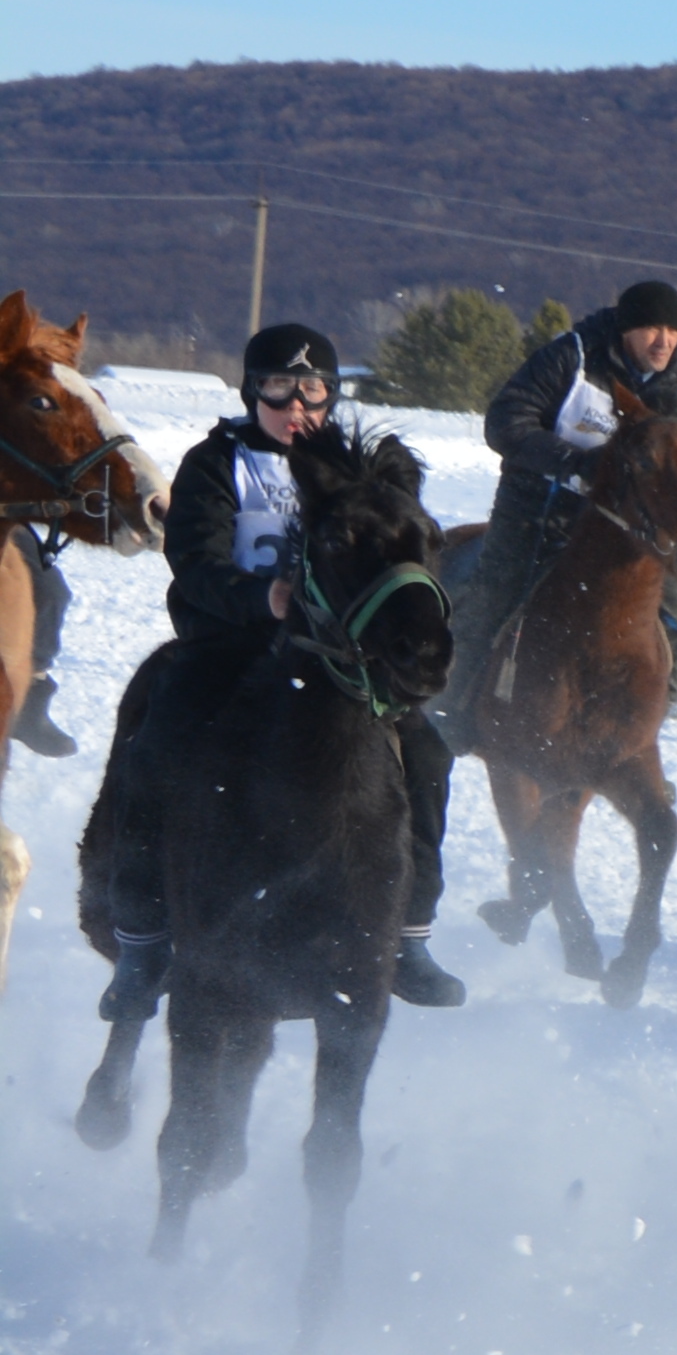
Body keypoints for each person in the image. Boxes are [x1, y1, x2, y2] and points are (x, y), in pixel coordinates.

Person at [89, 321, 462, 1008]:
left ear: (331, 397)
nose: (296, 407)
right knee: (157, 747)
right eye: (278, 389)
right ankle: (142, 940)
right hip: (229, 648)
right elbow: (194, 562)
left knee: (430, 758)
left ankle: (407, 933)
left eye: (312, 390)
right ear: (252, 391)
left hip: (339, 663)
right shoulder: (216, 462)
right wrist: (263, 597)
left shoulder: (362, 478)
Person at [462, 278, 677, 701]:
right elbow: (506, 420)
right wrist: (574, 464)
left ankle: (657, 713)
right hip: (539, 511)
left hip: (635, 528)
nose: (664, 341)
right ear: (625, 328)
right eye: (652, 329)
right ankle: (457, 706)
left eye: (673, 331)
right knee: (494, 598)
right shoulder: (572, 357)